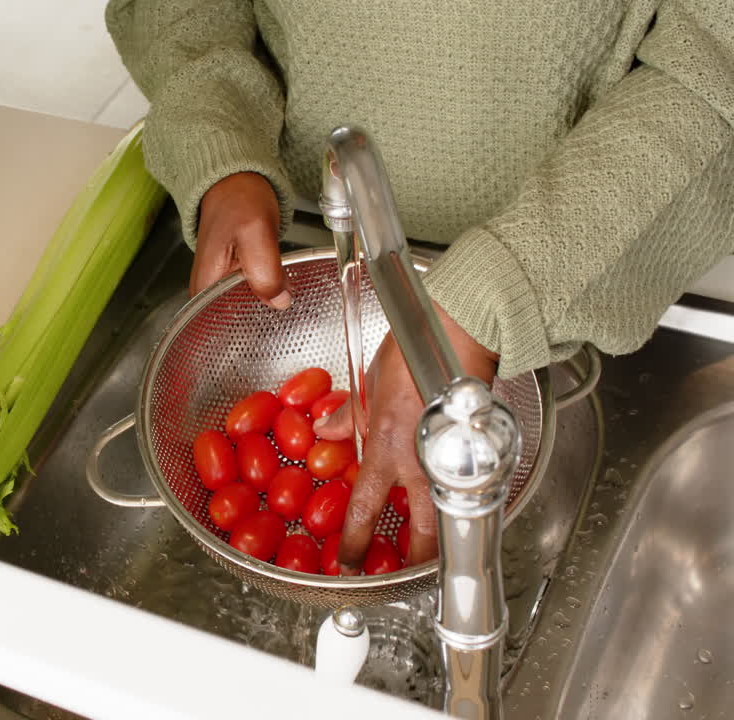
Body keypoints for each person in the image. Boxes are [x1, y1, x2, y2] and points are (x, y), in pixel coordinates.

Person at [107, 1, 733, 575]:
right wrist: (217, 141)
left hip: (585, 252)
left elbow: (717, 54)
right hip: (302, 226)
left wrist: (497, 291)